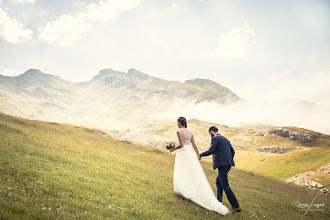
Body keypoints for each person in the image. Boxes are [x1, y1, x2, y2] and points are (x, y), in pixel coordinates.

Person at [169, 117, 230, 215]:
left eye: (177, 122)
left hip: (183, 153)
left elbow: (181, 145)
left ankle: (183, 190)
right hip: (190, 153)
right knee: (192, 172)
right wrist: (197, 155)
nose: (177, 124)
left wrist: (173, 149)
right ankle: (187, 190)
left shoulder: (178, 131)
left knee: (182, 171)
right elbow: (194, 145)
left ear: (180, 123)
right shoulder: (190, 132)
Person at [199, 126, 242, 214]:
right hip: (228, 164)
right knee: (218, 182)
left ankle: (236, 206)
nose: (210, 135)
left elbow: (211, 150)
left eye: (209, 133)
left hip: (223, 165)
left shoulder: (215, 138)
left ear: (211, 131)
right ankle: (219, 202)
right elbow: (233, 152)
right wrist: (227, 160)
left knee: (225, 185)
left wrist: (200, 155)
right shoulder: (225, 139)